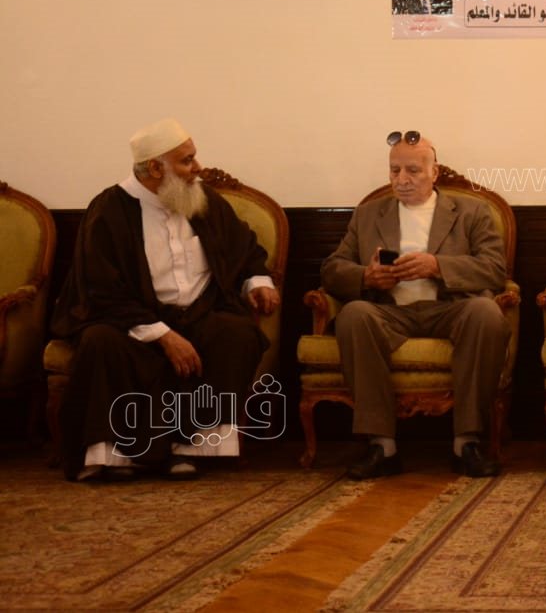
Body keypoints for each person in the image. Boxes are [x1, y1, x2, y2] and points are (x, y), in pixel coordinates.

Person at [52, 118, 279, 482]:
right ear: (156, 169)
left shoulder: (203, 199)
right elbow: (100, 288)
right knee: (100, 342)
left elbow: (243, 248)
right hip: (131, 319)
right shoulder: (109, 210)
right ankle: (115, 455)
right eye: (186, 161)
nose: (198, 167)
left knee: (237, 334)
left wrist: (258, 281)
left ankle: (189, 449)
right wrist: (162, 334)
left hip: (200, 312)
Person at [322, 131, 508, 479]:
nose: (402, 180)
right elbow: (332, 269)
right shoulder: (368, 215)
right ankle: (382, 446)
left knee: (486, 313)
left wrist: (438, 267)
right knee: (354, 315)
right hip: (390, 312)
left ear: (434, 172)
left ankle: (466, 443)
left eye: (413, 171)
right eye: (395, 171)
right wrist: (367, 277)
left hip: (450, 309)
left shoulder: (471, 212)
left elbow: (495, 269)